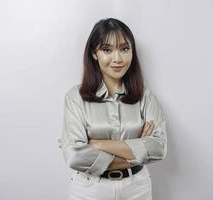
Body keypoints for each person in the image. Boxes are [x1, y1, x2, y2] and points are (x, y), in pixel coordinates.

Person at [58, 18, 167, 200]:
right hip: (89, 189)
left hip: (137, 188)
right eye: (107, 50)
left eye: (124, 49)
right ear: (94, 53)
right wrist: (137, 149)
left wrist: (97, 144)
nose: (117, 59)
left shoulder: (145, 97)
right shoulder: (75, 97)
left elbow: (159, 148)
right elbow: (74, 156)